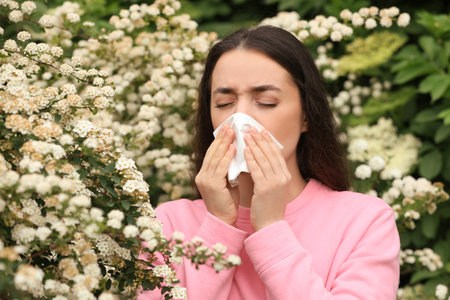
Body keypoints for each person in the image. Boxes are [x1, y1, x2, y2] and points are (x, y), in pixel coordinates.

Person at [138, 25, 400, 299]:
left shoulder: (364, 222)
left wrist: (271, 229)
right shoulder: (167, 225)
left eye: (266, 102)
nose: (240, 117)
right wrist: (218, 227)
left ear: (306, 115)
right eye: (224, 103)